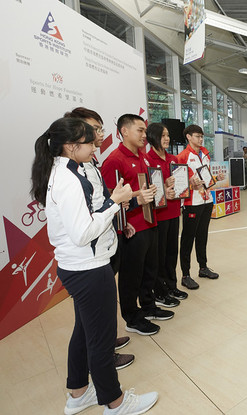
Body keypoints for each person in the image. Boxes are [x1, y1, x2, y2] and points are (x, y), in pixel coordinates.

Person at [31, 117, 158, 415]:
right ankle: (114, 402)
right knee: (101, 339)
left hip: (82, 265)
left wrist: (114, 205)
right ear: (72, 146)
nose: (96, 145)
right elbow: (83, 232)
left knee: (84, 332)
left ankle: (77, 393)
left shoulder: (68, 171)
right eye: (90, 140)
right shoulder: (68, 179)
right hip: (87, 268)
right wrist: (115, 203)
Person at [63, 107, 135, 370]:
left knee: (90, 321)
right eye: (95, 129)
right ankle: (103, 366)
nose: (100, 135)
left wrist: (118, 216)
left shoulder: (89, 163)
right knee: (89, 323)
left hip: (101, 246)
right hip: (87, 258)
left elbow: (100, 203)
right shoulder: (70, 175)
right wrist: (116, 203)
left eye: (102, 129)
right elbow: (86, 221)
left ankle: (91, 368)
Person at [102, 114, 174, 336]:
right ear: (124, 131)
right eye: (140, 131)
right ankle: (132, 318)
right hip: (132, 227)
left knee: (149, 270)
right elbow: (109, 200)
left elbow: (149, 188)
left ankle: (149, 307)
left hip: (150, 221)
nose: (145, 135)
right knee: (131, 276)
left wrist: (165, 187)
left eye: (145, 131)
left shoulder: (142, 157)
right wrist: (136, 197)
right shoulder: (115, 160)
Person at [145, 123, 188, 306]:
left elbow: (179, 184)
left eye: (168, 135)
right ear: (153, 137)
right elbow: (148, 189)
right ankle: (160, 291)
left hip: (173, 212)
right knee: (159, 256)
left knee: (172, 252)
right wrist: (164, 182)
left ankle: (172, 285)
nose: (167, 138)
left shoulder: (172, 158)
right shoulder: (148, 160)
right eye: (163, 135)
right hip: (158, 216)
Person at [177, 124, 222, 290]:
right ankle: (185, 275)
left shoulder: (205, 153)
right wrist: (190, 185)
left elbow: (206, 177)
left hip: (206, 199)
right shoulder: (183, 156)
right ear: (188, 137)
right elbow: (179, 183)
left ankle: (203, 267)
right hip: (192, 203)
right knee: (188, 238)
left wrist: (216, 177)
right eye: (197, 136)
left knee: (202, 236)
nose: (200, 139)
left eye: (201, 136)